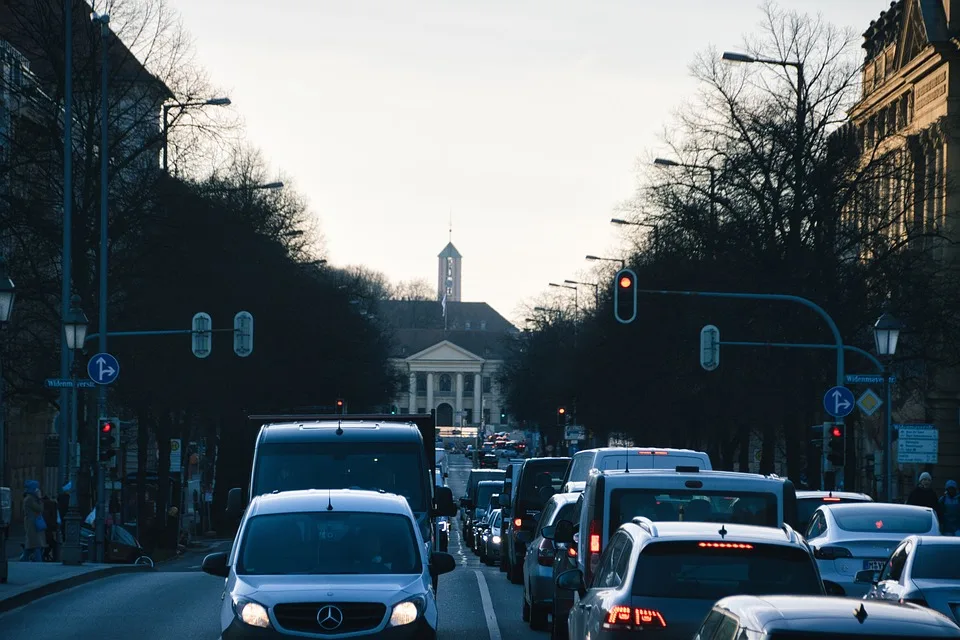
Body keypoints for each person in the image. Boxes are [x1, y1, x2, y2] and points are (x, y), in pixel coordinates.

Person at [20, 480, 46, 562]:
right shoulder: (30, 499)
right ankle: (38, 562)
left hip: (33, 523)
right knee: (35, 544)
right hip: (32, 524)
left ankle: (24, 559)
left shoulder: (30, 499)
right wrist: (40, 498)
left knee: (32, 544)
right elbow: (40, 509)